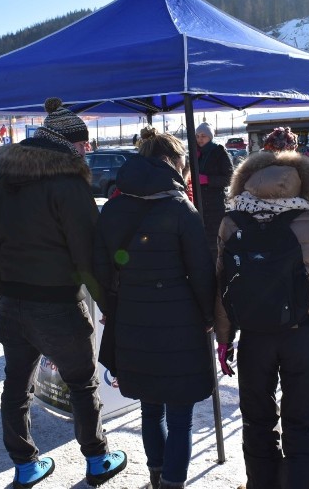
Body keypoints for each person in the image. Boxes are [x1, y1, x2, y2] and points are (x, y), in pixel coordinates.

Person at [0, 97, 126, 489]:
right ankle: (97, 459)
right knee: (82, 383)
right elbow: (89, 254)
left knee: (16, 385)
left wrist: (4, 290)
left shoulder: (0, 185)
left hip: (13, 304)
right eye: (83, 145)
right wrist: (109, 302)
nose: (87, 151)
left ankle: (25, 465)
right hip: (58, 303)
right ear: (67, 145)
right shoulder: (69, 186)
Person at [93, 131, 215, 489]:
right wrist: (209, 315)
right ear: (174, 164)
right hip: (181, 323)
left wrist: (110, 305)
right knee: (180, 416)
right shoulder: (180, 207)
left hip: (131, 319)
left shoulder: (113, 206)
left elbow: (99, 266)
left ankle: (156, 473)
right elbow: (202, 269)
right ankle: (172, 483)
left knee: (150, 407)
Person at [214, 148, 309, 489]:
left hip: (253, 337)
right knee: (302, 423)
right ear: (303, 184)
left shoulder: (231, 221)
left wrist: (224, 340)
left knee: (256, 421)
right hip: (301, 334)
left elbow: (222, 286)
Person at [193, 122, 233, 260]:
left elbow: (230, 178)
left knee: (215, 241)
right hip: (199, 204)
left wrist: (208, 180)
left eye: (203, 136)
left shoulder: (219, 152)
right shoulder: (195, 154)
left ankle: (218, 269)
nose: (200, 139)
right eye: (197, 136)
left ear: (210, 137)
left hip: (216, 205)